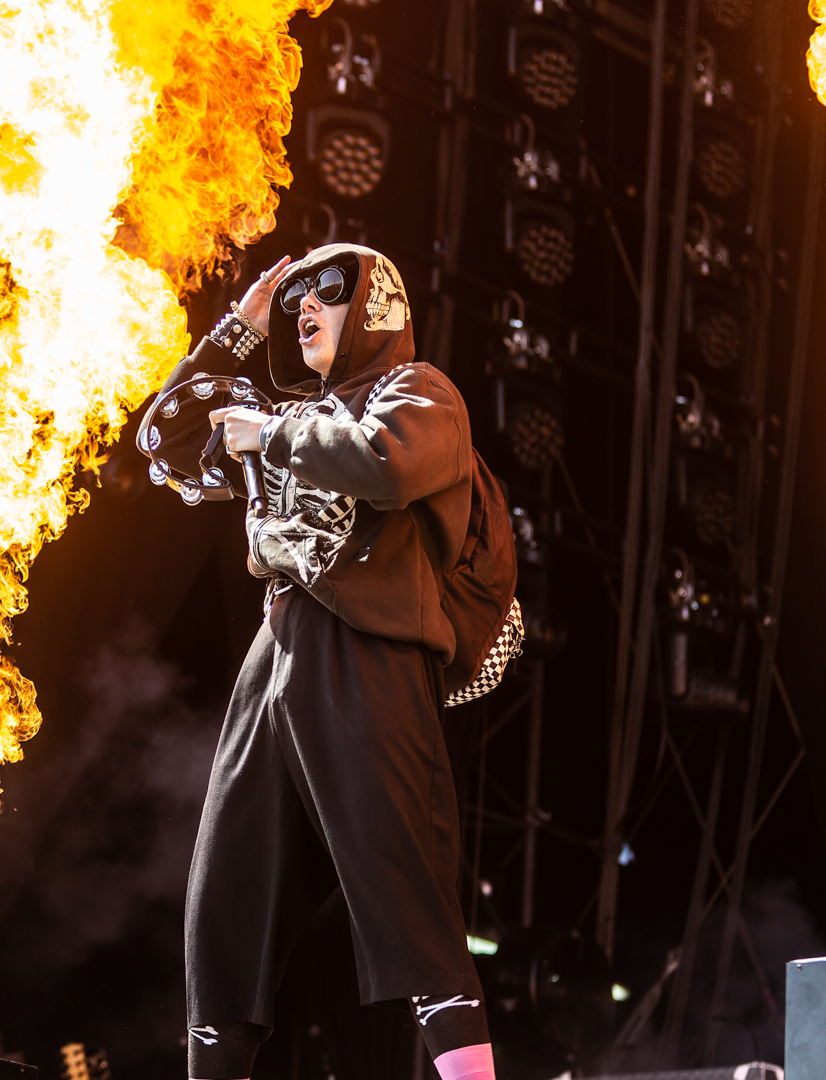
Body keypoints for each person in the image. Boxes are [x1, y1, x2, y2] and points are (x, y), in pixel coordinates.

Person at [168, 245, 497, 1080]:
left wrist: (271, 432)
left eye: (329, 292)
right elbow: (169, 444)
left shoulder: (421, 391)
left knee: (409, 902)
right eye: (296, 297)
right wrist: (237, 334)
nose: (304, 305)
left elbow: (386, 462)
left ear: (377, 308)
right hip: (274, 650)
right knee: (224, 911)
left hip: (367, 653)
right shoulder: (288, 409)